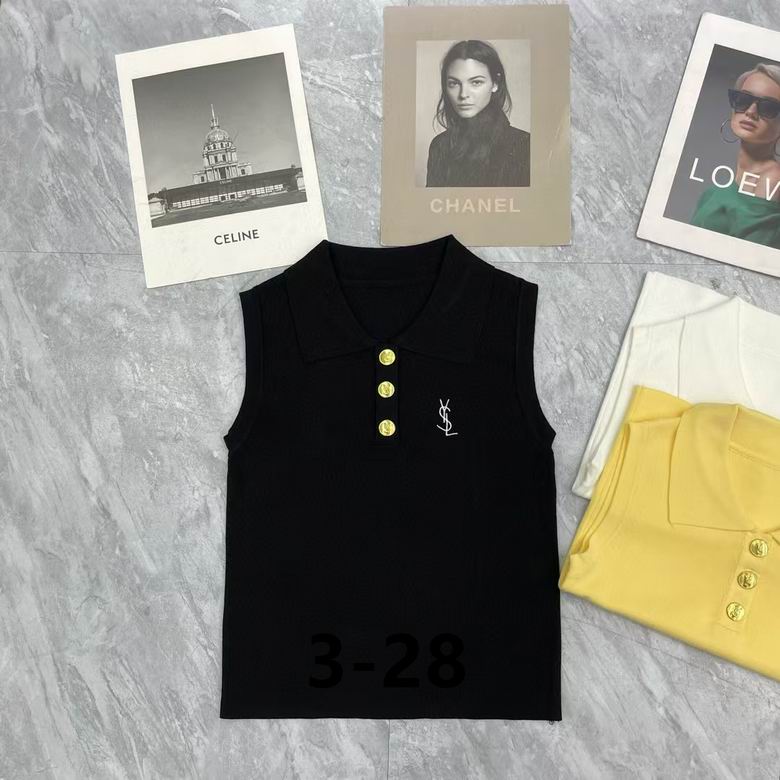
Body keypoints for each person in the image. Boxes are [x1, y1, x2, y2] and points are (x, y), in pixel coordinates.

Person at [691, 63, 780, 249]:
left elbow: (748, 260)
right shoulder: (724, 184)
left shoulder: (772, 182)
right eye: (743, 100)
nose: (750, 112)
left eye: (768, 107)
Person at [425, 40, 530, 188]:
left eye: (476, 82)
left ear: (495, 83)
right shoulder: (440, 145)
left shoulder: (524, 145)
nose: (463, 94)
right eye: (454, 83)